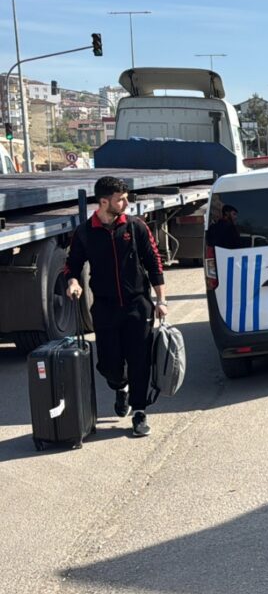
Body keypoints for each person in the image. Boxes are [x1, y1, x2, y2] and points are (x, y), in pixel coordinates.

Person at [64, 176, 168, 437]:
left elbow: (154, 262)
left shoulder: (135, 226)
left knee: (140, 361)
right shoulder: (85, 233)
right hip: (105, 308)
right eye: (120, 199)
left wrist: (161, 300)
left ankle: (139, 412)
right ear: (103, 202)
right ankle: (121, 387)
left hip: (138, 306)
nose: (126, 203)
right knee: (109, 364)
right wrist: (73, 283)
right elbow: (72, 265)